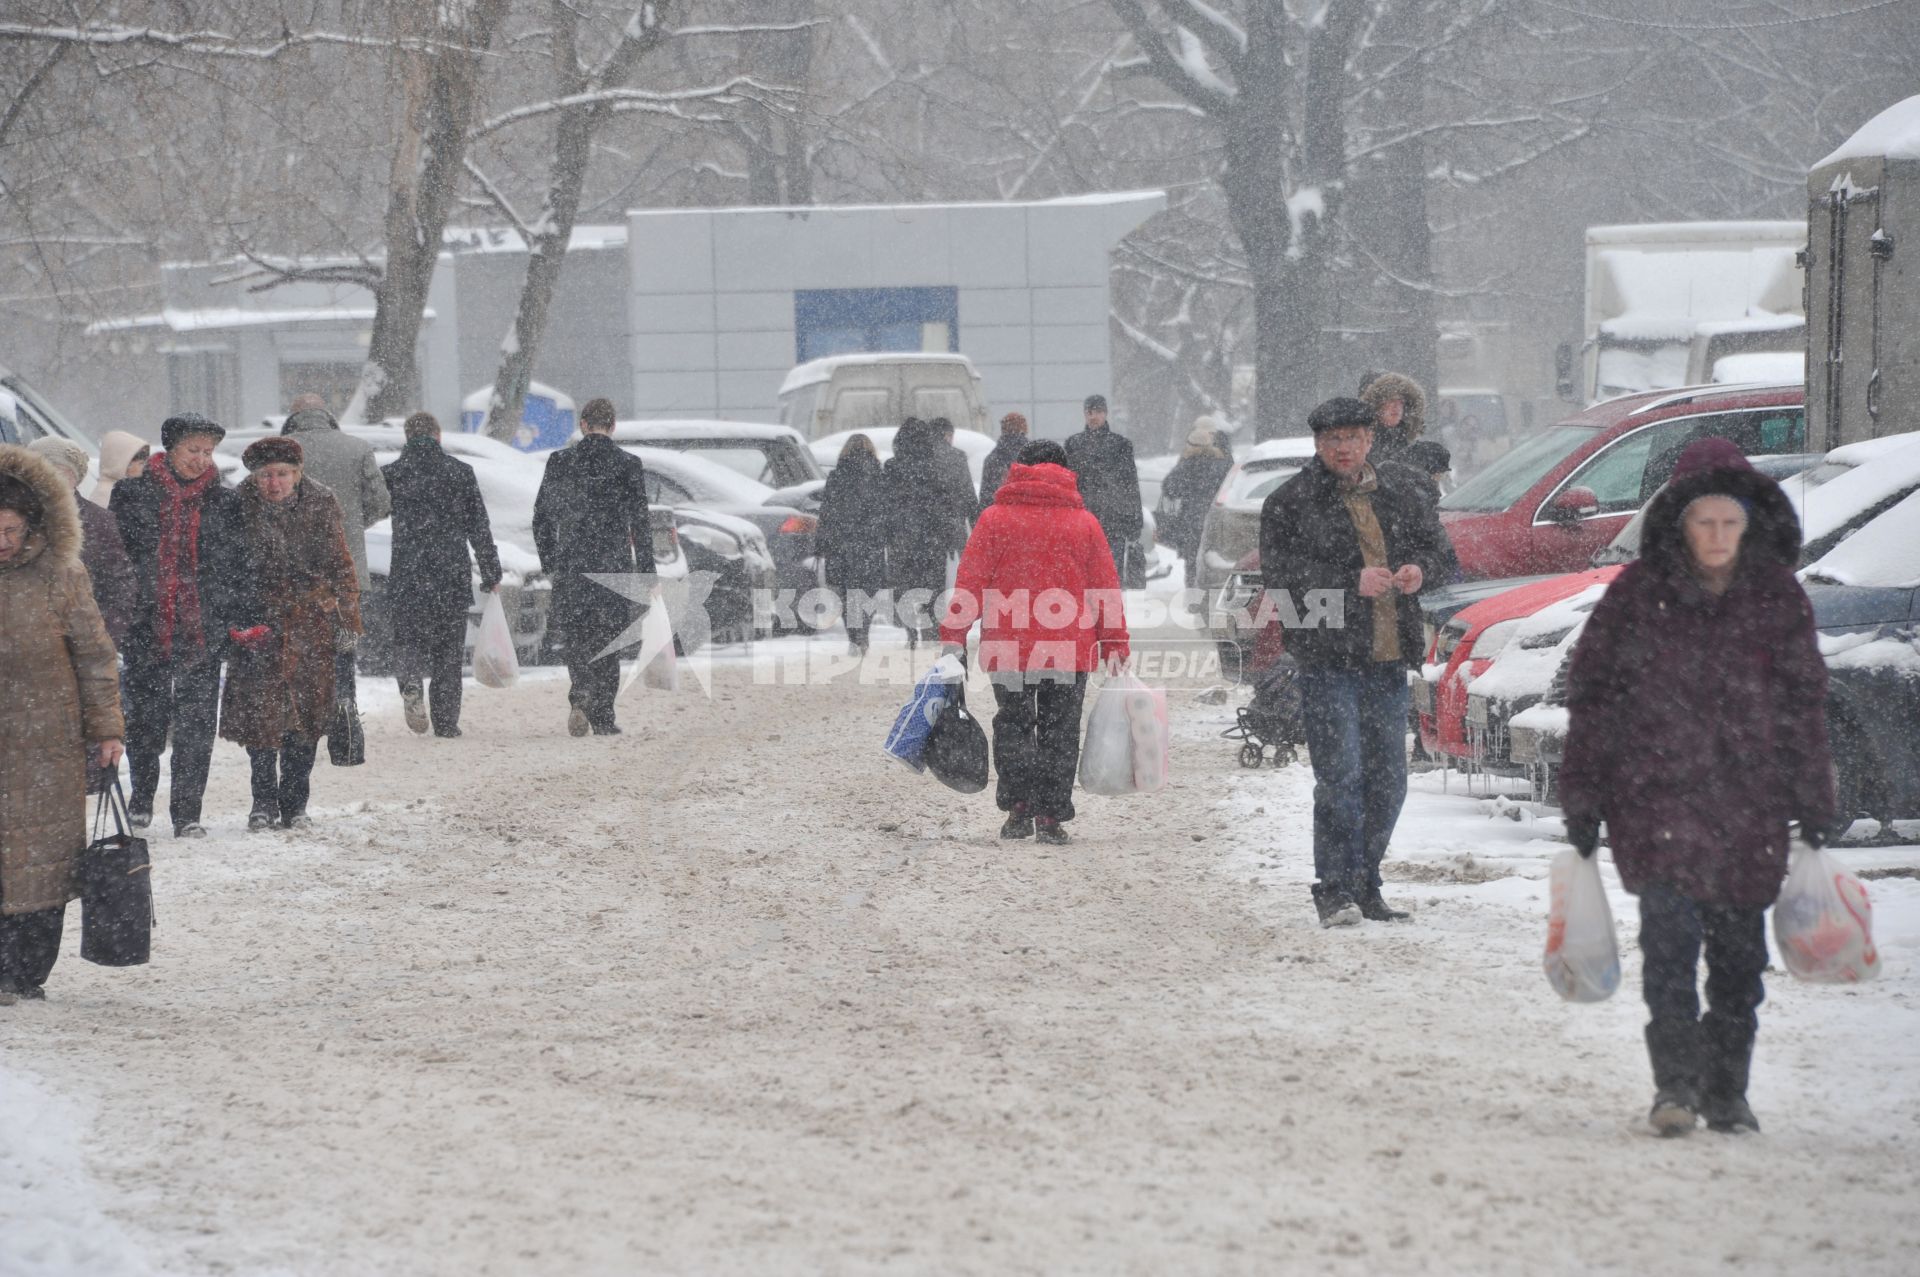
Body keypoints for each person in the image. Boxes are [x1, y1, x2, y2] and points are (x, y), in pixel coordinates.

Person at [1560, 438, 1834, 1138]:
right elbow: (1594, 700)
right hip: (1657, 803)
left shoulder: (1777, 597)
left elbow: (1804, 702)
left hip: (1750, 808)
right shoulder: (1634, 596)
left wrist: (1813, 798)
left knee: (1741, 958)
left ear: (1749, 522)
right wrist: (1584, 796)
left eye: (1729, 523)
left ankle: (1727, 1089)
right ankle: (1675, 1085)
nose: (1717, 537)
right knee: (1671, 945)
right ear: (1679, 521)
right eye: (1703, 522)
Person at [1259, 397, 1455, 927]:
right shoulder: (1290, 502)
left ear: (1370, 441)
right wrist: (1349, 584)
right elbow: (1279, 580)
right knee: (1341, 777)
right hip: (1328, 661)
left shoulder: (1402, 494)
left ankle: (1368, 883)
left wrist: (1419, 571)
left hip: (1388, 660)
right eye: (1333, 440)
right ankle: (1335, 890)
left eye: (1353, 438)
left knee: (1389, 779)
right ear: (1318, 445)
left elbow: (1443, 555)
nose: (1343, 448)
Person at [940, 439, 1130, 846]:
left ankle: (1018, 807)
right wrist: (1114, 643)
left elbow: (969, 582)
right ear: (1066, 473)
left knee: (1014, 723)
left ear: (1018, 470)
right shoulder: (1085, 523)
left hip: (1009, 647)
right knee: (1060, 730)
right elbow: (1104, 589)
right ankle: (1050, 815)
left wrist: (953, 636)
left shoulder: (993, 520)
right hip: (1068, 648)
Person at [0, 446, 125, 1003]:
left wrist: (108, 730)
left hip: (47, 744)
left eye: (9, 529)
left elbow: (95, 656)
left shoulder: (61, 575)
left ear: (31, 526)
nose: (1, 540)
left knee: (42, 864)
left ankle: (26, 971)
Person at [216, 437, 361, 831]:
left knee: (307, 720)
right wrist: (235, 617)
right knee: (261, 720)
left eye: (282, 474)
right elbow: (225, 567)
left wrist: (347, 618)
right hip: (258, 627)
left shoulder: (321, 501)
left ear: (297, 475)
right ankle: (262, 802)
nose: (274, 483)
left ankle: (296, 803)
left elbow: (340, 563)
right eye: (266, 475)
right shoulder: (237, 505)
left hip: (311, 625)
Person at [111, 413, 238, 837]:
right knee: (144, 719)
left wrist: (224, 613)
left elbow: (235, 567)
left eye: (208, 452)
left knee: (197, 726)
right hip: (146, 627)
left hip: (201, 630)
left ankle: (187, 814)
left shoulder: (224, 500)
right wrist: (128, 610)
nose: (201, 459)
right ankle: (142, 797)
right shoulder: (131, 495)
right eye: (193, 450)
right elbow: (118, 562)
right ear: (170, 450)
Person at [533, 396, 654, 736]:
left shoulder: (560, 462)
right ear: (612, 427)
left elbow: (541, 517)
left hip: (572, 566)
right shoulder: (628, 464)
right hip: (613, 566)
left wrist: (550, 561)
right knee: (610, 640)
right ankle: (603, 715)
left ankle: (581, 689)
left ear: (583, 426)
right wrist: (646, 571)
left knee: (576, 637)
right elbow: (640, 524)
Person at [381, 411, 502, 737]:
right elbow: (479, 526)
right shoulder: (460, 472)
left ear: (407, 437)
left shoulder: (393, 473)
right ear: (438, 436)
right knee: (447, 651)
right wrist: (491, 570)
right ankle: (446, 722)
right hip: (450, 574)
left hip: (407, 573)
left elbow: (373, 510)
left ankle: (410, 685)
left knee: (406, 641)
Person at [282, 393, 390, 720]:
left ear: (293, 416)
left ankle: (303, 715)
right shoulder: (357, 448)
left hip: (294, 569)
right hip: (347, 568)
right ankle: (344, 711)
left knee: (298, 646)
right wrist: (352, 524)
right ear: (327, 415)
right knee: (343, 643)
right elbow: (381, 503)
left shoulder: (281, 452)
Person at [28, 437, 137, 645]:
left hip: (82, 641)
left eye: (61, 472)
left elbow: (119, 583)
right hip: (22, 642)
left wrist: (102, 633)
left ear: (75, 478)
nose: (53, 481)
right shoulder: (16, 518)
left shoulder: (98, 521)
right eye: (44, 473)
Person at [885, 418, 971, 647]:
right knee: (933, 586)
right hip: (932, 537)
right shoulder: (935, 466)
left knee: (905, 586)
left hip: (903, 537)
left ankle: (912, 632)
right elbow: (945, 502)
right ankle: (932, 630)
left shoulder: (892, 466)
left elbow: (886, 504)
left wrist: (888, 532)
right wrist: (949, 532)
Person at [816, 434, 890, 655]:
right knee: (866, 593)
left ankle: (854, 637)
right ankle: (863, 635)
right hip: (870, 545)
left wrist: (822, 545)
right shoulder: (879, 476)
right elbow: (885, 511)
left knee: (847, 594)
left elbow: (826, 514)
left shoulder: (836, 477)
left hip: (842, 544)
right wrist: (886, 537)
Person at [1063, 393, 1143, 583]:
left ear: (1106, 414)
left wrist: (1134, 520)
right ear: (1084, 414)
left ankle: (1108, 610)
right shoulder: (1073, 444)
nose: (1093, 416)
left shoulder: (1121, 445)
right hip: (1082, 518)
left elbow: (1130, 483)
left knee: (1111, 575)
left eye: (1098, 412)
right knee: (1082, 574)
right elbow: (1066, 481)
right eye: (1089, 412)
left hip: (1112, 519)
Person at [1157, 417, 1234, 589]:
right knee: (1213, 560)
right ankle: (1212, 593)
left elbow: (1169, 487)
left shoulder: (1187, 464)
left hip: (1191, 520)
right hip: (1215, 519)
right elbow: (1231, 488)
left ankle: (1193, 597)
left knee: (1192, 562)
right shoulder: (1223, 462)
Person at [1357, 372, 1427, 473]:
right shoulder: (1363, 443)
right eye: (1390, 400)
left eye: (1400, 402)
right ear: (1378, 405)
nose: (1396, 406)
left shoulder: (1414, 446)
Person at [977, 411, 1029, 513]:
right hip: (1027, 515)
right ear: (1024, 428)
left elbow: (986, 495)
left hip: (1000, 516)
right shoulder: (1032, 454)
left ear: (1003, 429)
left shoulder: (992, 458)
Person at [88, 429, 150, 508]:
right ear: (124, 462)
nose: (143, 468)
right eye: (140, 463)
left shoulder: (120, 489)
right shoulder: (106, 493)